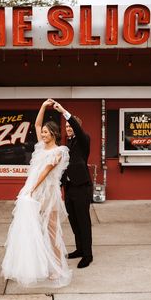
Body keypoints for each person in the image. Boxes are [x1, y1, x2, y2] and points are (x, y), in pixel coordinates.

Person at [1, 99, 72, 287]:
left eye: (46, 133)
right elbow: (37, 123)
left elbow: (46, 171)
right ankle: (30, 265)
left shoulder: (59, 151)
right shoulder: (41, 146)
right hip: (33, 193)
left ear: (54, 134)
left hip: (48, 195)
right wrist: (43, 106)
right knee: (30, 229)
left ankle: (57, 267)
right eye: (42, 133)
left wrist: (31, 189)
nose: (42, 134)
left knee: (52, 231)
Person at [53, 101, 93, 268]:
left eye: (71, 127)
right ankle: (80, 249)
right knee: (74, 220)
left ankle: (88, 255)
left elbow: (76, 127)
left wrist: (63, 111)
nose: (69, 129)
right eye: (67, 127)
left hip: (82, 187)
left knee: (83, 220)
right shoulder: (67, 144)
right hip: (69, 188)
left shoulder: (84, 140)